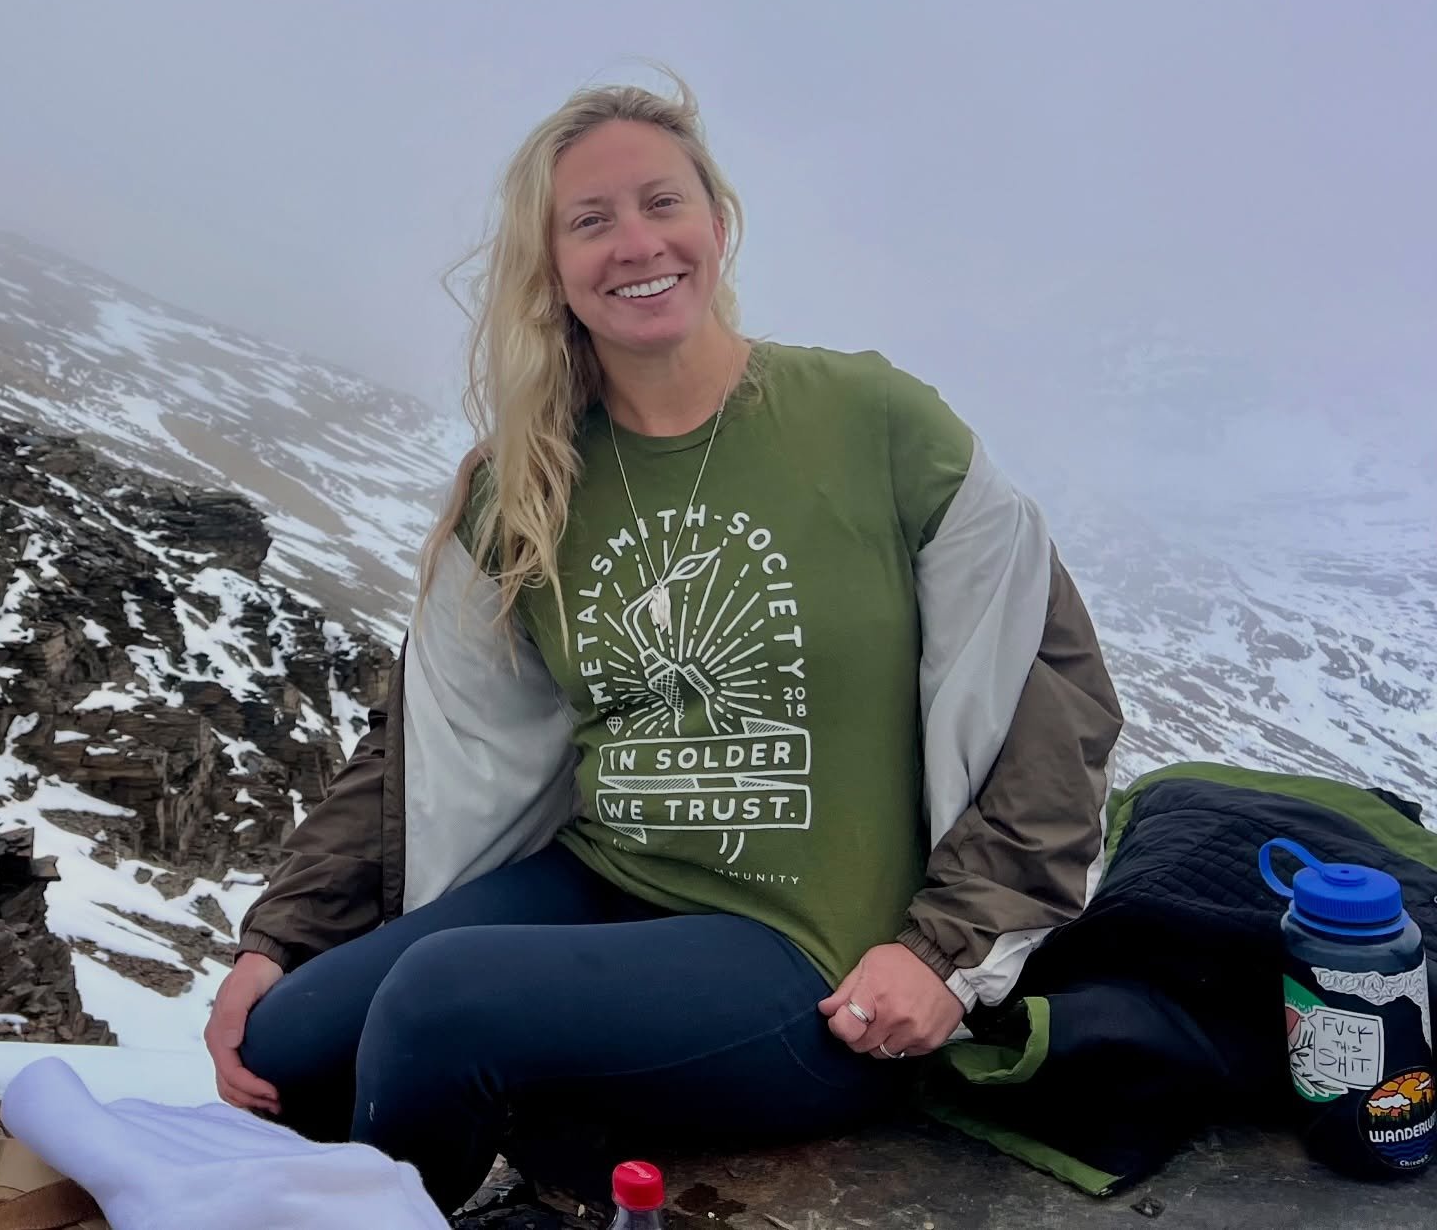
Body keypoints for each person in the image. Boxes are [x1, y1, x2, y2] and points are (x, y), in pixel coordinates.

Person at [205, 75, 1123, 1218]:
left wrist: (942, 954)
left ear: (717, 224)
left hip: (813, 958)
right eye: (590, 221)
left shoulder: (874, 421)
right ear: (550, 268)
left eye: (662, 203)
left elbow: (1060, 691)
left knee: (444, 1003)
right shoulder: (525, 485)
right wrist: (280, 940)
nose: (636, 243)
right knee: (287, 1041)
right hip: (609, 882)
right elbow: (420, 740)